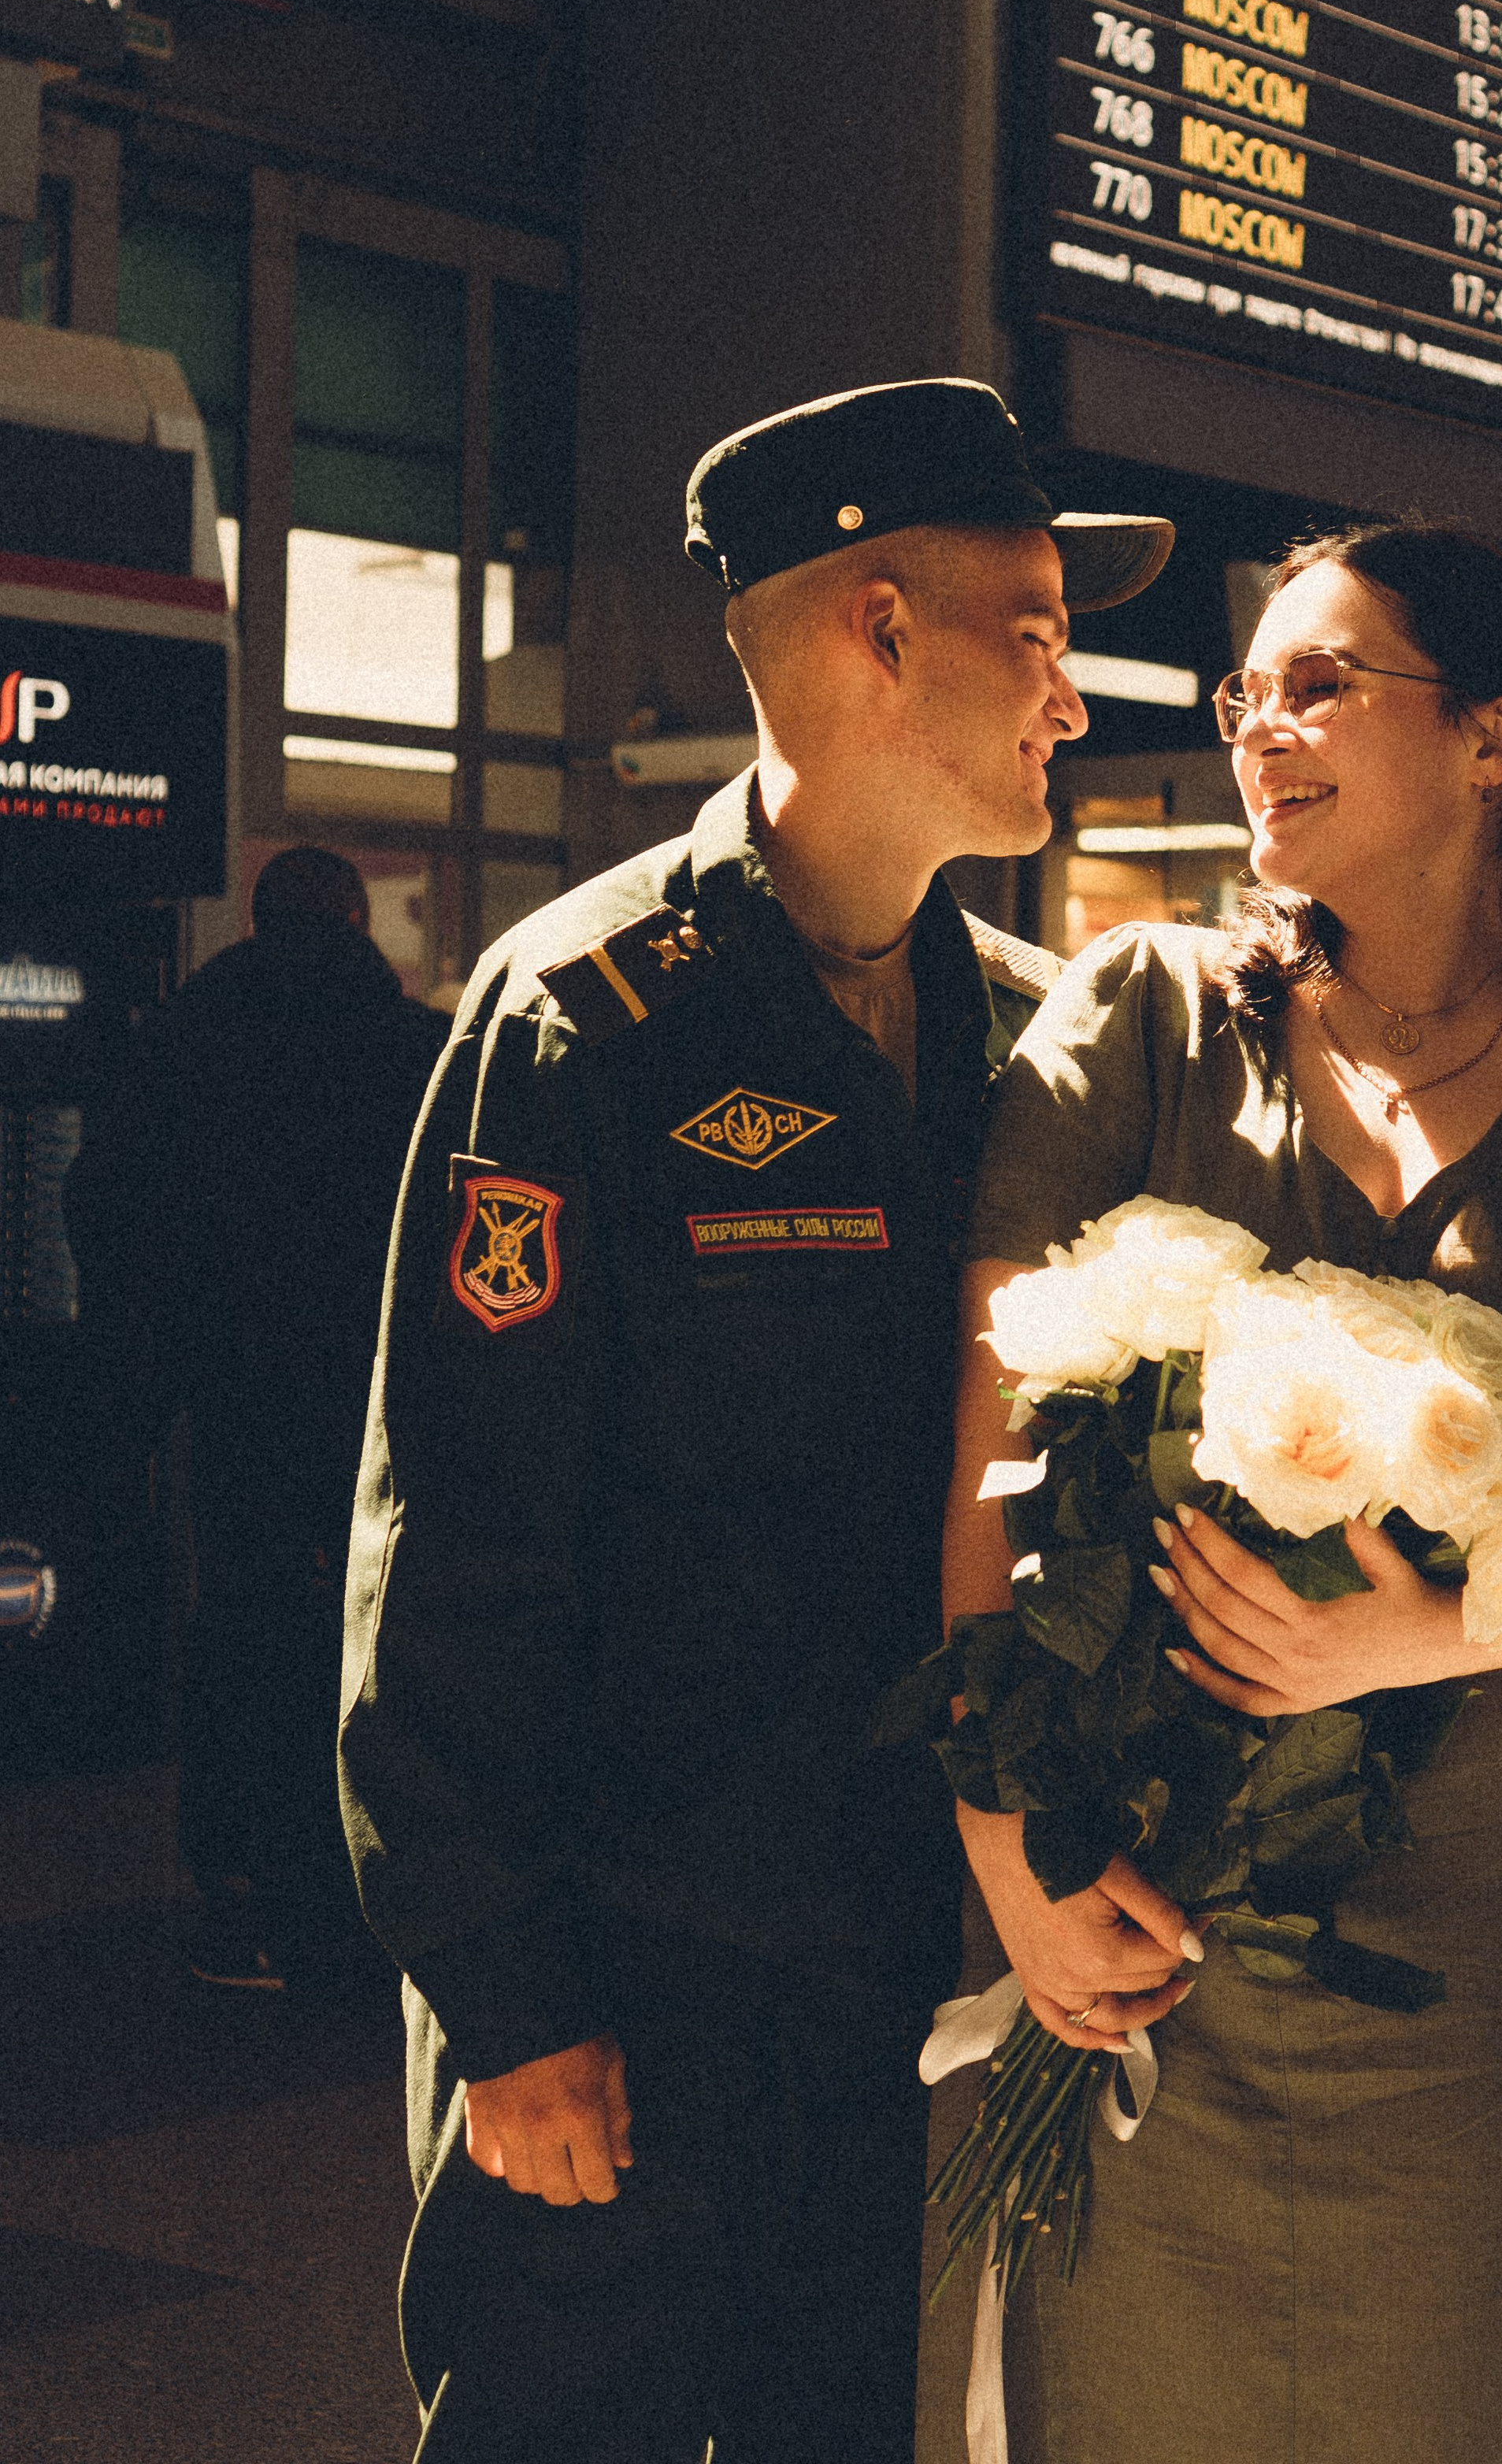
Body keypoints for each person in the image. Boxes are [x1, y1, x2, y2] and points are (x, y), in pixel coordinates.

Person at [923, 525, 1502, 2464]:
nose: (1260, 725)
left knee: (1476, 2381)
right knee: (1139, 2384)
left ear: (1498, 733)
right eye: (1244, 690)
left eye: (1321, 680)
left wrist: (1419, 1628)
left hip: (1495, 1880)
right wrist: (1010, 1856)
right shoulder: (1144, 1009)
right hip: (1149, 1868)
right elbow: (984, 1465)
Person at [336, 380, 1172, 2464]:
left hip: (875, 1985)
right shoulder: (588, 1017)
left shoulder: (1016, 1032)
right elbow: (455, 1548)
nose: (1076, 695)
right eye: (1042, 630)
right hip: (622, 1978)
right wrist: (510, 2006)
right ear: (881, 631)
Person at [64, 844, 444, 1991]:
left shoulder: (184, 1042)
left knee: (245, 1628)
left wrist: (133, 1390)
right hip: (384, 1401)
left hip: (239, 1392)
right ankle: (374, 1885)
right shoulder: (418, 1050)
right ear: (359, 921)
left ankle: (245, 1888)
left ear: (252, 923)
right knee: (377, 1632)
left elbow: (109, 1210)